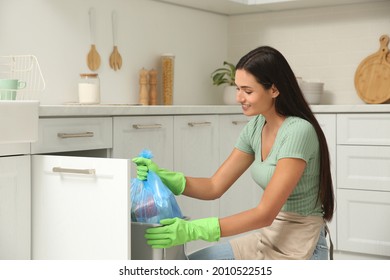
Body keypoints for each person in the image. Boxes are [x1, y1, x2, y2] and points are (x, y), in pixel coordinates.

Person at [132, 46, 334, 260]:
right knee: (189, 265)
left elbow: (264, 214)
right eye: (238, 88)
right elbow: (214, 186)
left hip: (302, 244)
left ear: (274, 90)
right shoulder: (256, 126)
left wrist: (194, 229)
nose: (239, 97)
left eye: (248, 91)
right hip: (270, 237)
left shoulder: (298, 132)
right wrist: (166, 177)